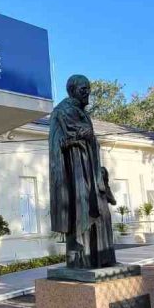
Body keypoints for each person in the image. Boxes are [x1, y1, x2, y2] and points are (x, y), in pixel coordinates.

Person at [49, 74, 116, 268]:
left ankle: (101, 258)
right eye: (83, 89)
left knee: (102, 214)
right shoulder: (65, 110)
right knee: (87, 214)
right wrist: (83, 136)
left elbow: (86, 135)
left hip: (90, 172)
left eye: (88, 88)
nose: (87, 92)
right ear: (72, 91)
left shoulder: (78, 110)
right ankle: (85, 259)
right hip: (78, 174)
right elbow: (74, 136)